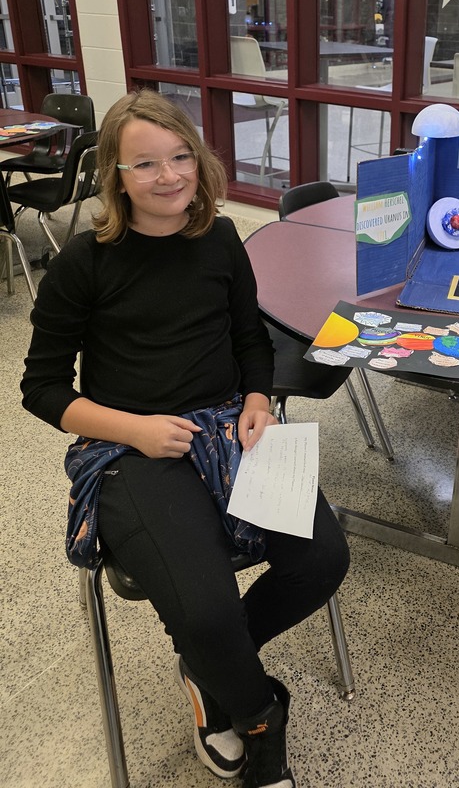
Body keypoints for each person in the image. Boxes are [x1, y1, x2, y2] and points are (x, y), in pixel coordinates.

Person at [21, 89, 349, 788]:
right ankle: (261, 728)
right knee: (203, 606)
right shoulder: (84, 263)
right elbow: (42, 389)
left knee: (322, 561)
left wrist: (258, 399)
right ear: (114, 174)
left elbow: (249, 339)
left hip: (228, 426)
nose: (170, 176)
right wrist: (133, 429)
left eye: (181, 157)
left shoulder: (222, 238)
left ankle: (208, 667)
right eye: (146, 164)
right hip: (129, 446)